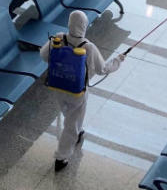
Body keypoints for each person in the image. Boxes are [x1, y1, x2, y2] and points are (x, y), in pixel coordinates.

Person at [40, 10, 125, 172]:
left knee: (68, 112)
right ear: (84, 25)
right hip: (77, 92)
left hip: (58, 85)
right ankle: (61, 157)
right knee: (72, 124)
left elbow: (44, 56)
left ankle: (76, 131)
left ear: (69, 23)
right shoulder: (88, 47)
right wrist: (118, 60)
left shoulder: (58, 37)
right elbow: (103, 69)